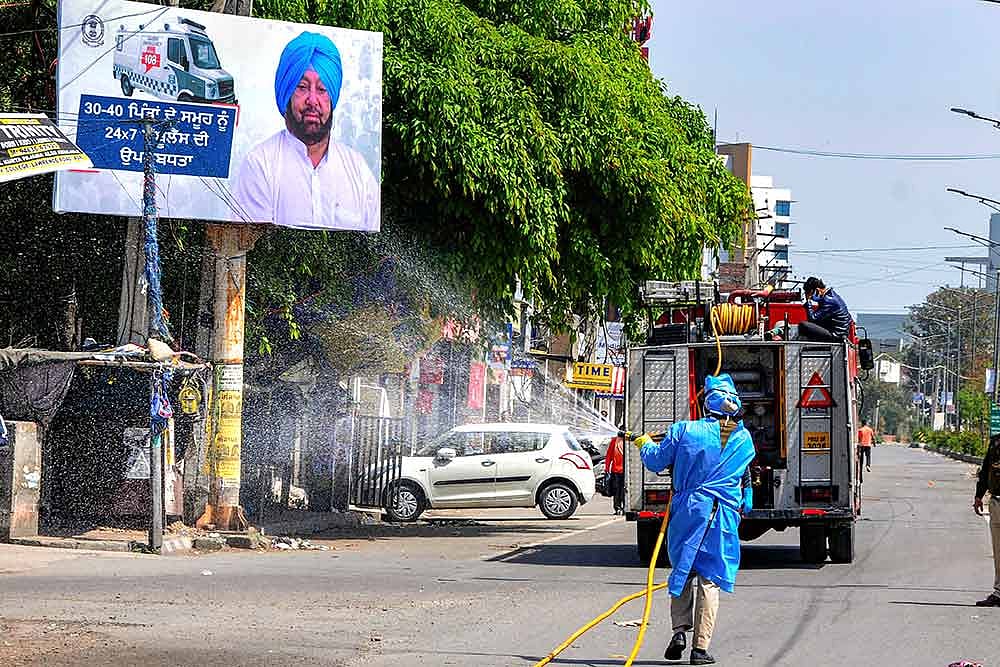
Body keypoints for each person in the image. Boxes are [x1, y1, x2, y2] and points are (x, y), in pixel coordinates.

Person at [633, 374, 755, 665]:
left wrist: (644, 443)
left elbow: (654, 461)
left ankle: (679, 631)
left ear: (706, 403)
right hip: (723, 515)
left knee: (684, 570)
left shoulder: (683, 430)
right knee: (710, 580)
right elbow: (744, 472)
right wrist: (746, 495)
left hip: (688, 510)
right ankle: (700, 649)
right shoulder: (743, 437)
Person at [234, 31, 380, 231]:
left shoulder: (358, 171)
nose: (312, 100)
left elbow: (370, 248)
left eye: (321, 89)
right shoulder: (260, 165)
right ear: (287, 94)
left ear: (332, 98)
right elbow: (247, 247)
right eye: (302, 87)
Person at [973, 434, 1000, 607]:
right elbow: (985, 470)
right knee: (998, 551)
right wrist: (978, 496)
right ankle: (999, 592)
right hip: (996, 501)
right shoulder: (995, 443)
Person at [797, 277, 853, 342]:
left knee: (803, 325)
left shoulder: (828, 300)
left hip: (836, 335)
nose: (811, 298)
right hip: (839, 333)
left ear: (817, 290)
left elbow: (812, 319)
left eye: (810, 294)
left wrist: (808, 302)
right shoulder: (831, 296)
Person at [605, 431, 625, 515]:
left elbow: (609, 455)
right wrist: (607, 468)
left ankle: (619, 507)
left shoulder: (615, 441)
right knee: (620, 490)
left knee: (618, 490)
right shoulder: (615, 441)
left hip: (617, 470)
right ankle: (620, 507)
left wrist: (607, 468)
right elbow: (609, 455)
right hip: (618, 470)